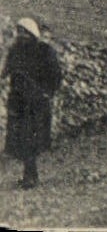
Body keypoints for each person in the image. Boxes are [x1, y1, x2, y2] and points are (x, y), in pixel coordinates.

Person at [4, 16, 63, 189]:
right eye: (19, 32)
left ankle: (31, 175)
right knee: (20, 138)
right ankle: (29, 174)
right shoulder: (15, 50)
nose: (21, 36)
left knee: (30, 138)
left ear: (32, 34)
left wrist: (47, 93)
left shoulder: (44, 51)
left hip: (36, 103)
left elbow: (56, 76)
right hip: (18, 102)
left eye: (25, 33)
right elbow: (6, 71)